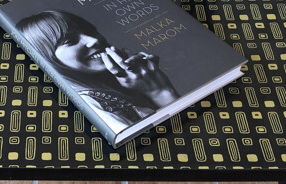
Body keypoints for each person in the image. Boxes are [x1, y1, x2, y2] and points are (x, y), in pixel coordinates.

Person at [15, 10, 180, 133]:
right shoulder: (90, 104)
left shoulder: (123, 85)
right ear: (46, 58)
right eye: (70, 40)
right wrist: (159, 91)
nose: (94, 40)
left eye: (90, 31)